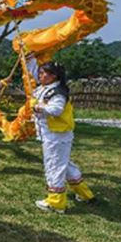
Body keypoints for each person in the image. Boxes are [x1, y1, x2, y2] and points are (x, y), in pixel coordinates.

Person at [28, 58, 97, 214]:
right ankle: (85, 194)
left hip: (56, 135)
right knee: (64, 165)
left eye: (44, 73)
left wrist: (39, 107)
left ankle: (56, 202)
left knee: (54, 166)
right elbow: (31, 72)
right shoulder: (46, 88)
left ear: (54, 76)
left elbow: (56, 110)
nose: (40, 75)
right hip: (52, 134)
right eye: (40, 73)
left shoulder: (57, 92)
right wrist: (29, 58)